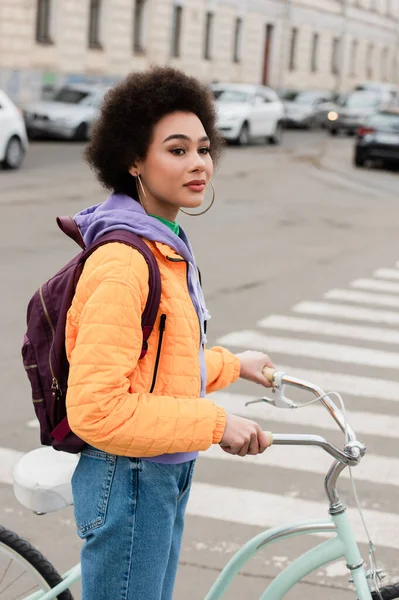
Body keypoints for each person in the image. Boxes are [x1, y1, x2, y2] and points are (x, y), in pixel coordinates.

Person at [65, 66, 274, 600]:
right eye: (177, 150)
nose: (199, 163)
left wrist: (232, 364)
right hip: (129, 475)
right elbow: (97, 410)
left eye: (204, 149)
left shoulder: (164, 242)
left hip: (160, 469)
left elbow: (158, 365)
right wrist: (215, 422)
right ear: (133, 159)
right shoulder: (125, 261)